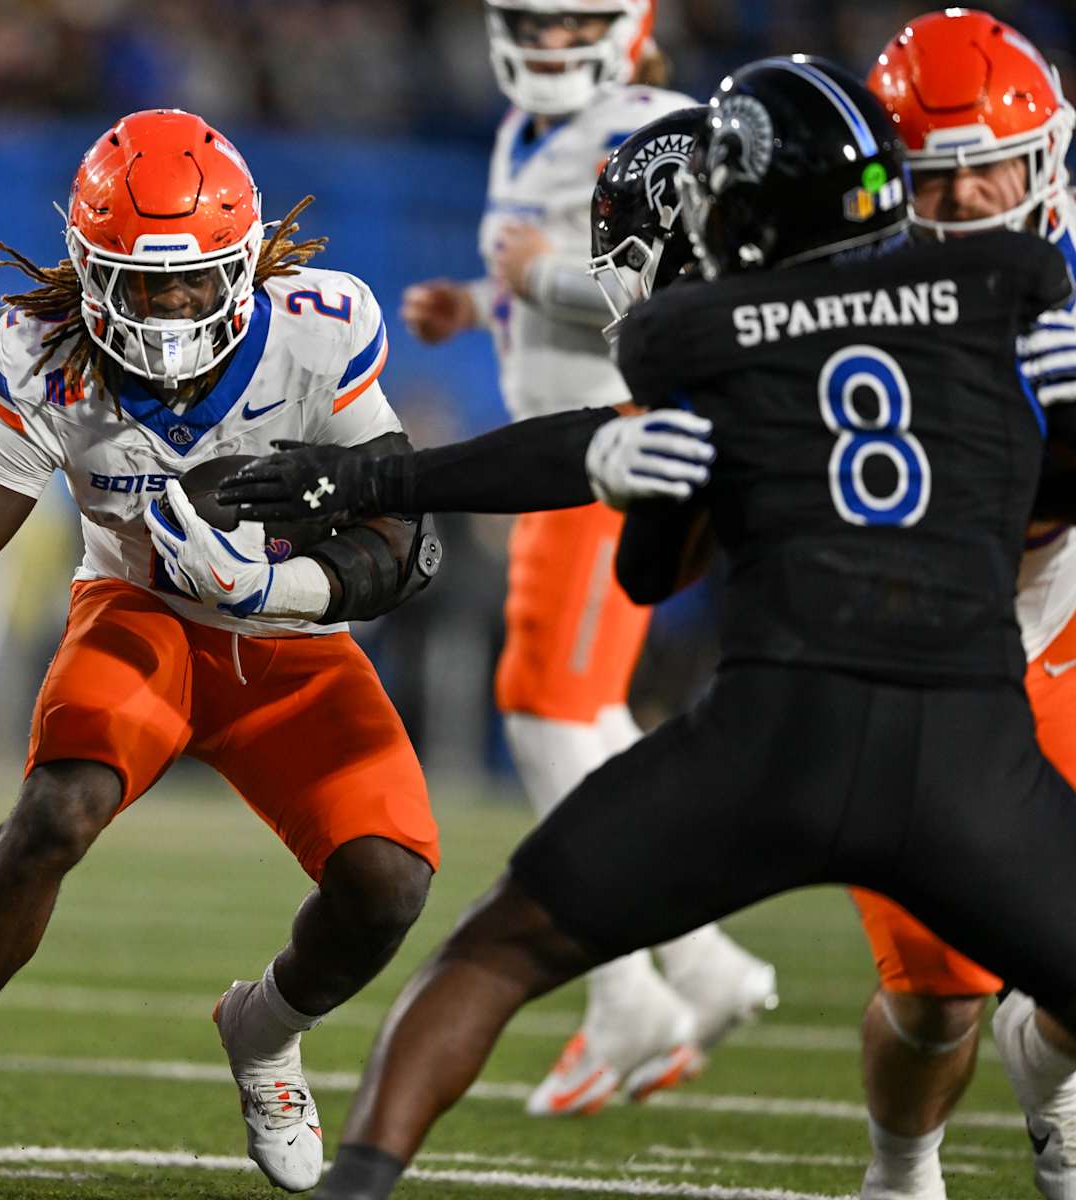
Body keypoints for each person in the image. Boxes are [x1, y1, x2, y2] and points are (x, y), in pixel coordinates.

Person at [232, 56, 1076, 1200]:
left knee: (492, 953)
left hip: (775, 736)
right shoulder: (1013, 280)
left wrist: (375, 478)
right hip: (966, 748)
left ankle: (358, 1185)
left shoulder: (701, 336)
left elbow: (638, 560)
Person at [0, 106, 461, 1194]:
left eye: (194, 280)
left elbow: (404, 537)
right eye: (141, 282)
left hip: (294, 640)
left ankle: (264, 1031)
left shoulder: (320, 328)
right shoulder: (47, 352)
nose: (166, 308)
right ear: (89, 268)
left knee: (389, 882)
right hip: (141, 618)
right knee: (55, 810)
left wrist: (272, 586)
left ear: (247, 264)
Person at [400, 0, 774, 1115]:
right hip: (570, 446)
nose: (553, 44)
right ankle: (696, 967)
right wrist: (477, 302)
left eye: (577, 25)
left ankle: (634, 992)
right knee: (580, 717)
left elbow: (689, 280)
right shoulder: (525, 129)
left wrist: (536, 277)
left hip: (615, 444)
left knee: (548, 711)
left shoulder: (663, 120)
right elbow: (552, 277)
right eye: (537, 23)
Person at [845, 13, 1076, 1200]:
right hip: (906, 651)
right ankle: (904, 1164)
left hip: (1064, 622)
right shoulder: (833, 309)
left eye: (1001, 162)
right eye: (940, 176)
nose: (979, 195)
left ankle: (1048, 1060)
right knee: (937, 995)